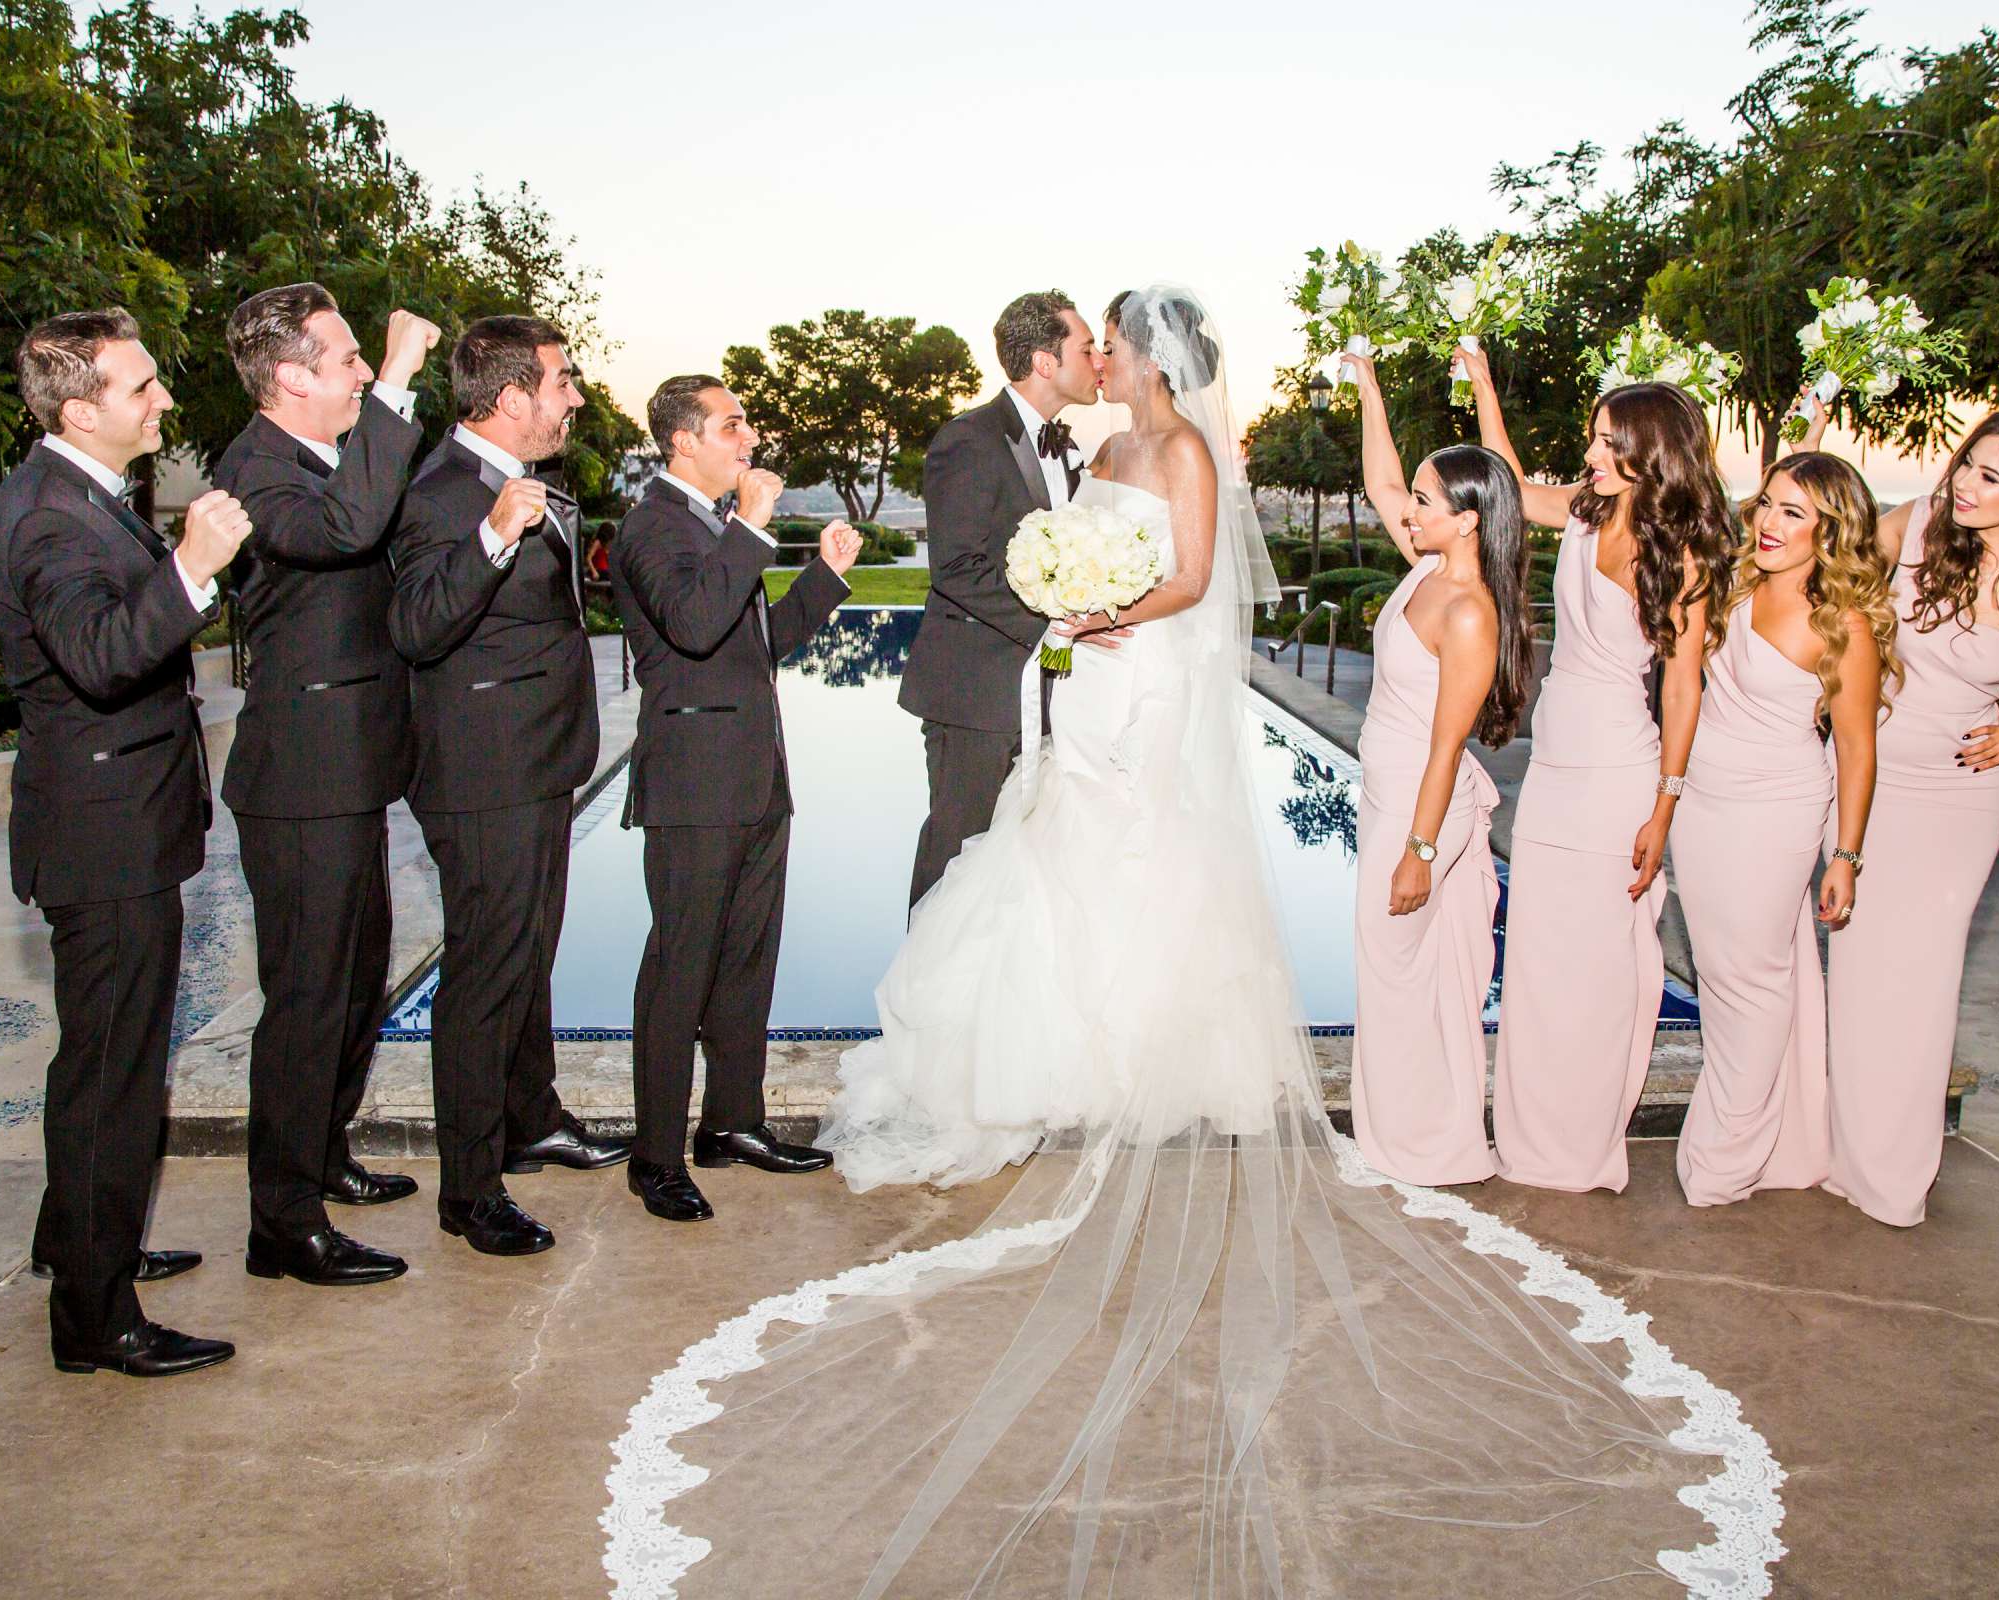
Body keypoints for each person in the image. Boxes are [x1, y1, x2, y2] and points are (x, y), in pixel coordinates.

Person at [600, 289, 1782, 1599]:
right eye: (1090, 341)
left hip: (1143, 674)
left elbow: (1195, 577)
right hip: (1087, 674)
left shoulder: (1186, 454)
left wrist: (1110, 613)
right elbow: (1042, 555)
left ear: (1150, 360)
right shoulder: (1099, 452)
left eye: (1112, 341)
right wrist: (1065, 606)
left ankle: (1136, 1050)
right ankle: (1057, 1049)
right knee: (1054, 853)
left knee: (1142, 855)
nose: (1098, 357)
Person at [0, 308, 248, 1377]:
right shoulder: (50, 517)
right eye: (144, 389)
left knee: (101, 1055)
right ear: (82, 409)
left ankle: (77, 1239)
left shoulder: (79, 494)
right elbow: (97, 656)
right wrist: (192, 567)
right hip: (103, 836)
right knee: (113, 1075)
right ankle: (97, 1318)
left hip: (117, 819)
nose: (165, 402)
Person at [1793, 404, 1999, 1225]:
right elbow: (1816, 549)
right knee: (1859, 971)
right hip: (1867, 781)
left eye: (1991, 476)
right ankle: (1835, 1150)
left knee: (1923, 978)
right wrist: (1807, 438)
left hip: (1955, 798)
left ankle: (1892, 1172)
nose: (1965, 485)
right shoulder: (1912, 527)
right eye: (1966, 465)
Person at [1464, 345, 1735, 1193]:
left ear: (1647, 452)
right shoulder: (1585, 513)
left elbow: (1684, 687)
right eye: (1591, 436)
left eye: (1604, 440)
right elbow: (1506, 476)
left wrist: (1665, 807)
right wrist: (1480, 378)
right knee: (1541, 956)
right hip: (1555, 768)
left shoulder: (1680, 554)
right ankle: (1535, 1139)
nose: (1588, 453)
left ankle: (1578, 1144)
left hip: (1619, 770)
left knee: (1593, 968)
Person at [387, 315, 627, 1259]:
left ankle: (533, 1115)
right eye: (561, 381)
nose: (574, 396)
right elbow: (416, 625)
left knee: (528, 956)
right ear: (513, 395)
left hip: (541, 761)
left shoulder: (525, 484)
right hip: (483, 773)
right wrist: (490, 538)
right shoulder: (441, 491)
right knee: (485, 974)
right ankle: (471, 1190)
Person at [213, 284, 436, 1287]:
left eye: (359, 358)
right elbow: (344, 533)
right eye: (343, 358)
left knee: (355, 984)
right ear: (293, 375)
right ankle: (282, 1222)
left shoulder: (317, 459)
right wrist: (392, 383)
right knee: (306, 998)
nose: (356, 372)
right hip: (299, 780)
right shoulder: (254, 471)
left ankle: (324, 1150)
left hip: (351, 770)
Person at [608, 375, 861, 1222]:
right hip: (692, 785)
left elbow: (755, 646)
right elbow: (693, 622)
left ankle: (733, 1123)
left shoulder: (715, 528)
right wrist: (752, 523)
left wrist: (823, 578)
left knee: (747, 961)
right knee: (679, 969)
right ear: (683, 441)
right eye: (731, 424)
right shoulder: (650, 525)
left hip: (756, 776)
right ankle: (655, 1155)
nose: (746, 438)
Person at [1670, 452, 1894, 1206]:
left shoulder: (1846, 625)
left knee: (1753, 983)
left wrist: (1846, 856)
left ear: (1831, 528)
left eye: (1793, 512)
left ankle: (1727, 1156)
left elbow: (1857, 750)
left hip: (1775, 814)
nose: (1769, 522)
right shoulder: (1731, 587)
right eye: (1767, 503)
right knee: (1718, 973)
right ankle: (1760, 1137)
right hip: (1700, 804)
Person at [1341, 354, 1532, 1186]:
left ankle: (1416, 1145)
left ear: (1466, 520)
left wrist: (1418, 851)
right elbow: (1380, 480)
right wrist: (1366, 385)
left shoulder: (1468, 612)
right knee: (1403, 977)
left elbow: (1447, 749)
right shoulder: (1425, 567)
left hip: (1424, 811)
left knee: (1392, 971)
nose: (1407, 508)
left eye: (1426, 499)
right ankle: (1418, 1136)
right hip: (1390, 797)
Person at [899, 289, 1106, 906]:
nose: (1098, 359)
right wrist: (1061, 619)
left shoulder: (1066, 447)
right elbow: (957, 569)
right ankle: (925, 998)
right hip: (975, 698)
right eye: (1087, 346)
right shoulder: (968, 439)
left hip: (1050, 697)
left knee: (1019, 874)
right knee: (956, 860)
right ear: (1045, 362)